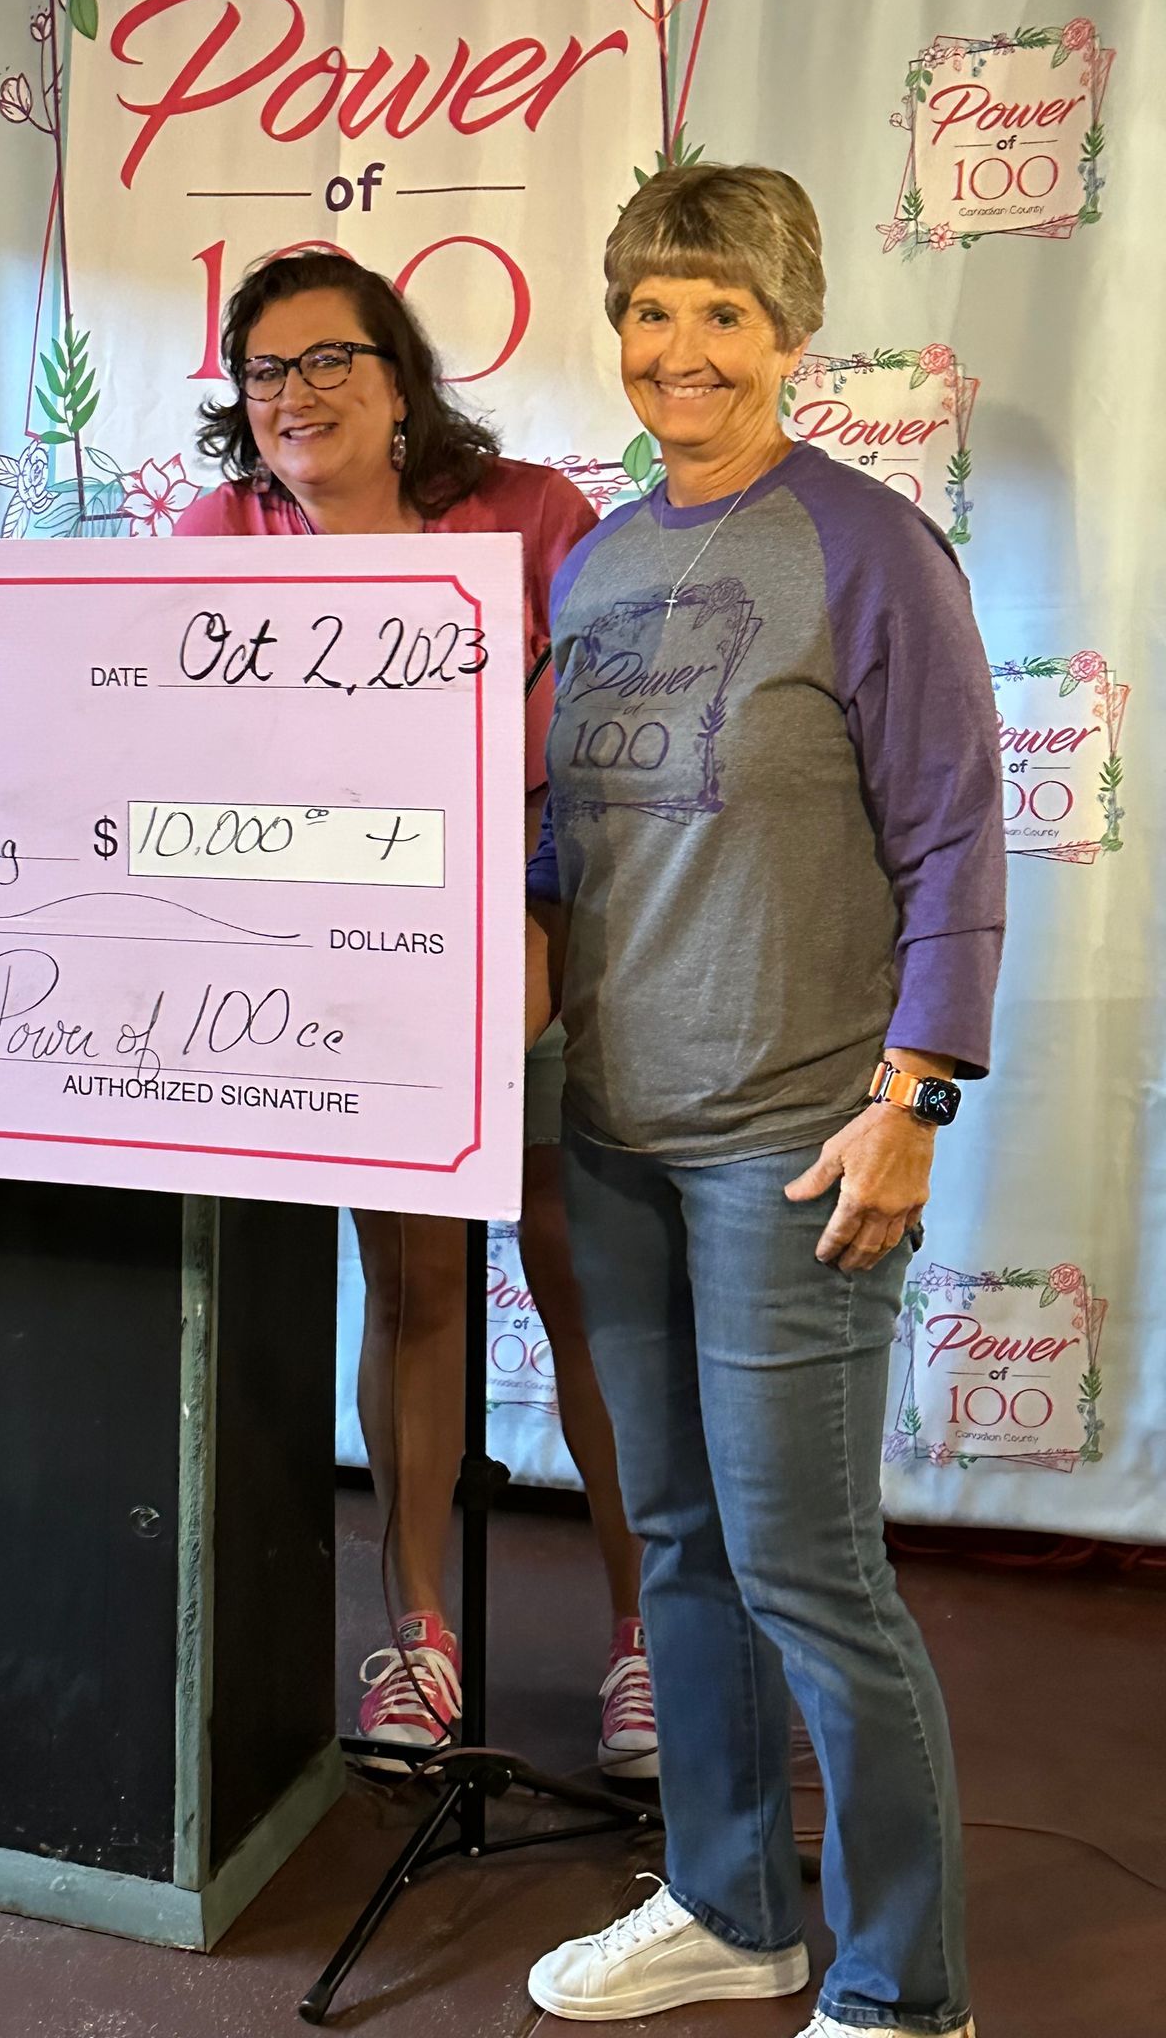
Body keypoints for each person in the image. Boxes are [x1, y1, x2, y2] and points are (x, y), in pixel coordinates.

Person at [523, 166, 999, 2038]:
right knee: (681, 1540)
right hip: (617, 1128)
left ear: (791, 336)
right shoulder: (599, 561)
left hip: (799, 1132)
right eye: (652, 310)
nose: (681, 349)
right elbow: (576, 844)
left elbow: (960, 837)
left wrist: (914, 1101)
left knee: (812, 1566)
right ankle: (734, 1906)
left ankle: (902, 1986)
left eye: (722, 313)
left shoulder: (871, 550)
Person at [175, 249, 654, 1776]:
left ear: (400, 380)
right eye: (265, 370)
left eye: (333, 361)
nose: (297, 394)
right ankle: (421, 1634)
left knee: (586, 1278)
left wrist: (542, 931)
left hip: (547, 940)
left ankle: (653, 1641)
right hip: (342, 973)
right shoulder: (214, 534)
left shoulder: (528, 516)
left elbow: (614, 758)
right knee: (420, 1294)